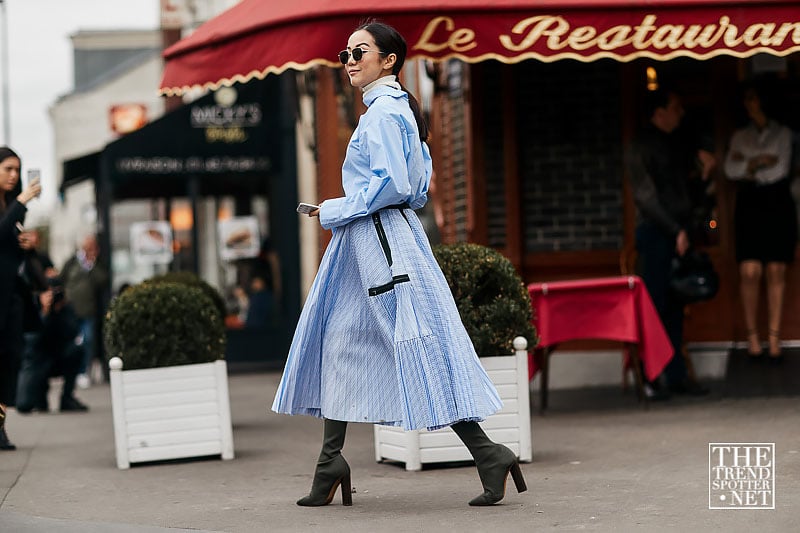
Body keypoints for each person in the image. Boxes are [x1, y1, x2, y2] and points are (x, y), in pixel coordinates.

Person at [272, 21, 527, 507]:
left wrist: (334, 210)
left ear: (388, 60)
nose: (349, 60)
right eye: (346, 53)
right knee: (339, 342)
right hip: (374, 239)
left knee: (417, 346)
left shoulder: (386, 114)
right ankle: (331, 461)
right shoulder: (392, 110)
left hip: (381, 241)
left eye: (359, 52)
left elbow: (392, 186)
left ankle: (487, 452)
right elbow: (416, 184)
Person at [625, 88, 714, 399]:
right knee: (655, 306)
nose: (681, 113)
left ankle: (676, 376)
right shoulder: (640, 146)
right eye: (675, 107)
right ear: (658, 112)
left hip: (680, 234)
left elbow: (687, 193)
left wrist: (704, 174)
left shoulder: (677, 143)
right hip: (655, 234)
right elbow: (645, 197)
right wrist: (675, 229)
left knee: (676, 306)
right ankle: (653, 377)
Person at [724, 81, 797, 362]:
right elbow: (731, 169)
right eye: (746, 98)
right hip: (750, 204)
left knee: (776, 269)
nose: (748, 103)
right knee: (750, 270)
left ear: (764, 101)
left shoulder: (783, 133)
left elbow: (780, 169)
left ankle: (775, 338)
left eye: (753, 98)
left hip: (778, 202)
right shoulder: (739, 135)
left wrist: (749, 165)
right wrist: (757, 162)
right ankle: (753, 337)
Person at [0, 146, 42, 450]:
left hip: (11, 297)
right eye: (8, 170)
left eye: (17, 170)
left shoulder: (9, 206)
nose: (14, 176)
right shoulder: (14, 205)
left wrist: (28, 244)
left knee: (10, 359)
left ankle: (0, 426)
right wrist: (22, 201)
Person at [60, 233, 108, 388]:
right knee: (73, 343)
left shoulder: (97, 264)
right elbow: (62, 279)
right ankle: (71, 373)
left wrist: (92, 265)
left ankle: (83, 371)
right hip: (71, 312)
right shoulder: (72, 262)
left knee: (88, 341)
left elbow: (102, 281)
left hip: (89, 311)